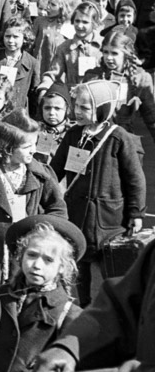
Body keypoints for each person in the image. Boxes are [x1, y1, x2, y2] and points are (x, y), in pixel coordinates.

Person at [50, 80, 146, 306]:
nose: (77, 112)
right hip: (77, 216)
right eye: (76, 106)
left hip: (109, 221)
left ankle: (114, 311)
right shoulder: (74, 134)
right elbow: (54, 171)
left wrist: (136, 214)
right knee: (78, 268)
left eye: (85, 108)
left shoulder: (118, 137)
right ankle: (80, 310)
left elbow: (135, 179)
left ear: (102, 109)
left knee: (112, 273)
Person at [0, 110, 68, 291]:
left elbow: (58, 210)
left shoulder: (41, 176)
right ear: (6, 148)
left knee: (17, 297)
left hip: (24, 252)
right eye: (26, 147)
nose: (33, 150)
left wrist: (43, 231)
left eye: (35, 144)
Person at [0, 216, 85, 372]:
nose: (37, 265)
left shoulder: (67, 312)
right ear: (21, 255)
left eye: (48, 260)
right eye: (32, 255)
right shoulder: (4, 294)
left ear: (63, 267)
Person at [83, 31, 155, 142]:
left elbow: (151, 117)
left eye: (114, 53)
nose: (109, 58)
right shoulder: (92, 76)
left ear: (126, 54)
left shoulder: (140, 78)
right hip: (94, 139)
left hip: (124, 140)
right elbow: (79, 112)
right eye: (106, 52)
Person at [36, 1, 103, 94]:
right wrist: (44, 88)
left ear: (94, 24)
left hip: (98, 96)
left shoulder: (103, 46)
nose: (79, 26)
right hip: (73, 97)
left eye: (85, 22)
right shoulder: (65, 48)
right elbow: (53, 74)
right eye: (77, 21)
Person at [0, 16, 40, 113]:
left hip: (18, 113)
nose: (11, 41)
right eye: (7, 36)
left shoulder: (32, 63)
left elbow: (33, 95)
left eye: (15, 37)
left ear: (25, 38)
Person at [30, 0, 77, 76]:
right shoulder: (40, 21)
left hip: (60, 70)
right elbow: (30, 45)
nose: (48, 7)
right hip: (40, 67)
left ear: (63, 8)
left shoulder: (70, 25)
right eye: (48, 3)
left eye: (53, 5)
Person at [33, 83, 72, 166]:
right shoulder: (34, 130)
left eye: (57, 108)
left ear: (67, 110)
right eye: (47, 108)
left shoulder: (72, 133)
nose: (51, 113)